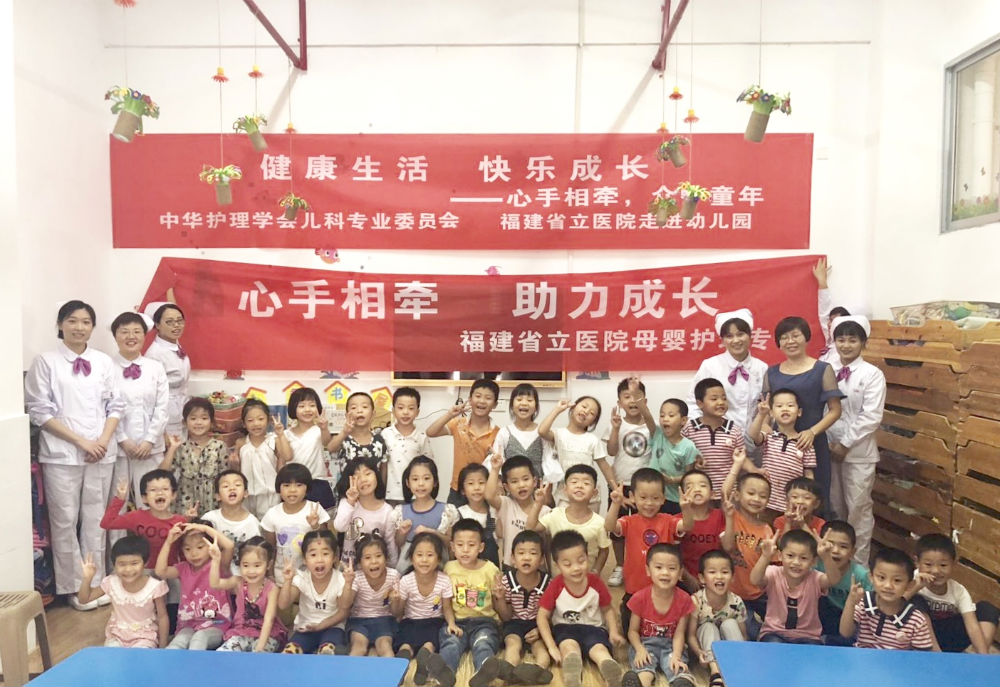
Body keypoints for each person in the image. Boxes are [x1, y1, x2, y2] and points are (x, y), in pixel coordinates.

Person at [24, 300, 124, 608]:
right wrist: (82, 442)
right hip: (62, 454)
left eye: (85, 322)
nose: (79, 327)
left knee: (96, 519)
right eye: (72, 320)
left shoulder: (103, 361)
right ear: (60, 324)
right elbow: (39, 411)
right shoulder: (46, 361)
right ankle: (73, 588)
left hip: (101, 453)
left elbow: (116, 405)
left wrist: (102, 441)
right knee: (64, 520)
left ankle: (95, 583)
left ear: (92, 327)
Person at [762, 316, 844, 515]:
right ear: (778, 342)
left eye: (795, 335)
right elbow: (765, 409)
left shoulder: (822, 369)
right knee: (777, 499)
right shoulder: (771, 373)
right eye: (784, 337)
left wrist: (812, 432)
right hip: (780, 447)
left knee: (814, 497)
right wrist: (765, 428)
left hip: (812, 442)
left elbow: (835, 410)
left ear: (806, 338)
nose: (790, 341)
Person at [827, 315, 886, 564]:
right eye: (841, 339)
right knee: (835, 508)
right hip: (829, 450)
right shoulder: (826, 368)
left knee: (858, 511)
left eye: (852, 340)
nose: (846, 345)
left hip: (858, 454)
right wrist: (830, 443)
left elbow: (871, 416)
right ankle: (835, 564)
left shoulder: (872, 374)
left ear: (864, 342)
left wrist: (845, 444)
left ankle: (858, 567)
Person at [537, 530, 625, 687]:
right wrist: (551, 647)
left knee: (599, 649)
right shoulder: (556, 585)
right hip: (565, 629)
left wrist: (613, 631)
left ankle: (609, 669)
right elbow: (542, 616)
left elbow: (608, 610)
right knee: (569, 648)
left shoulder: (596, 583)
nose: (576, 568)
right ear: (557, 566)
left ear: (587, 556)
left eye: (581, 561)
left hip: (594, 629)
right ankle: (572, 673)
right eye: (568, 564)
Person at [604, 469, 681, 632]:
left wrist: (687, 508)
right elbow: (609, 526)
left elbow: (687, 526)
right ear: (632, 496)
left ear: (663, 498)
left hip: (663, 589)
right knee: (629, 630)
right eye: (643, 497)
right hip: (634, 588)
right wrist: (615, 504)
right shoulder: (629, 521)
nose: (649, 503)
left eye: (655, 498)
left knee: (662, 629)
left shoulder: (668, 520)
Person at [109, 311, 169, 508]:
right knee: (117, 502)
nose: (131, 336)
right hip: (118, 447)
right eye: (124, 331)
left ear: (145, 335)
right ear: (115, 336)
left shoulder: (155, 368)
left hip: (150, 448)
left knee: (153, 501)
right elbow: (106, 406)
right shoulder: (107, 367)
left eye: (136, 331)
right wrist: (122, 438)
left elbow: (162, 407)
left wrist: (149, 440)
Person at [604, 376, 657, 586]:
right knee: (617, 530)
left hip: (644, 488)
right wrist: (616, 428)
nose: (632, 400)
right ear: (619, 402)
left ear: (645, 400)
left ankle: (645, 563)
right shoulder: (616, 424)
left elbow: (652, 425)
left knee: (644, 527)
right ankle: (619, 565)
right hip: (620, 485)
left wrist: (643, 405)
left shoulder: (651, 426)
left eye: (637, 396)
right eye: (627, 396)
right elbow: (611, 451)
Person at [908, 533, 999, 653]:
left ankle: (978, 656)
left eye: (943, 565)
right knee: (916, 600)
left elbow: (972, 626)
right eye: (928, 565)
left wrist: (983, 658)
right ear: (917, 562)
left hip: (947, 638)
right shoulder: (910, 578)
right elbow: (894, 603)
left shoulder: (958, 591)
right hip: (918, 638)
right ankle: (935, 654)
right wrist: (916, 587)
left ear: (954, 564)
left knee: (987, 608)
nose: (936, 571)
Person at [438, 518, 503, 687]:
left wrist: (500, 599)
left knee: (483, 643)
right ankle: (444, 673)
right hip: (457, 622)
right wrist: (451, 623)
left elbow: (496, 602)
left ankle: (484, 672)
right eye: (460, 545)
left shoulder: (491, 569)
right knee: (450, 643)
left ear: (481, 547)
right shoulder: (449, 568)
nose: (465, 550)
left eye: (471, 545)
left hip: (484, 622)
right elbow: (446, 602)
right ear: (452, 547)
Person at [621, 544, 696, 687]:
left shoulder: (684, 599)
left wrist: (676, 655)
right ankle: (639, 683)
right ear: (648, 570)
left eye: (672, 568)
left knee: (678, 667)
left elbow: (679, 634)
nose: (665, 573)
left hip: (671, 645)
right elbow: (632, 631)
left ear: (680, 573)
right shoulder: (639, 598)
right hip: (646, 644)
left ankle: (683, 682)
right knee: (644, 667)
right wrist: (640, 650)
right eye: (659, 567)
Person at [750, 529, 842, 643]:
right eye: (790, 556)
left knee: (812, 650)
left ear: (813, 562)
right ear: (780, 556)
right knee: (774, 644)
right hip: (774, 632)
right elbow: (755, 580)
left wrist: (826, 557)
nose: (796, 562)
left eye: (803, 558)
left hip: (808, 636)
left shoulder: (815, 578)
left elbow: (834, 580)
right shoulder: (773, 573)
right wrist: (765, 556)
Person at [686, 309, 768, 435]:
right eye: (729, 336)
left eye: (740, 334)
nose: (736, 340)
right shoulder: (710, 366)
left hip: (753, 438)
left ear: (750, 336)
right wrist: (704, 432)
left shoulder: (762, 368)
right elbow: (693, 402)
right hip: (718, 437)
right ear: (722, 340)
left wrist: (762, 432)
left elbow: (768, 406)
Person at [155, 521, 235, 650]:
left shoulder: (218, 564)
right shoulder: (183, 568)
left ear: (211, 546)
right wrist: (168, 542)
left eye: (200, 547)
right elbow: (160, 571)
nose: (194, 553)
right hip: (188, 625)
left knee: (199, 638)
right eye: (187, 549)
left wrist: (204, 528)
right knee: (178, 642)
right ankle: (166, 663)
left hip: (218, 625)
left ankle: (194, 664)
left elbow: (229, 546)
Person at [391, 532, 457, 686]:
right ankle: (402, 664)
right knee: (405, 644)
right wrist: (395, 601)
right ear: (412, 558)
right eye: (419, 555)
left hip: (434, 622)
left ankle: (423, 662)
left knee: (431, 642)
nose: (424, 560)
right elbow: (398, 613)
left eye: (430, 555)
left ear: (439, 559)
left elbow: (447, 608)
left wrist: (451, 623)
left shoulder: (444, 580)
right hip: (410, 621)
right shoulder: (406, 581)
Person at [78, 535, 168, 647]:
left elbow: (162, 617)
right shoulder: (111, 582)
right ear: (114, 564)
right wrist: (87, 579)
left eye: (134, 563)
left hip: (145, 636)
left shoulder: (154, 586)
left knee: (139, 656)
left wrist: (163, 647)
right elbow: (84, 599)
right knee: (111, 655)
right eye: (122, 564)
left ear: (145, 563)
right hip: (117, 635)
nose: (128, 569)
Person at [840, 547, 935, 651]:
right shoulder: (864, 603)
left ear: (910, 585)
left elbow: (922, 655)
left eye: (897, 580)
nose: (888, 586)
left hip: (897, 661)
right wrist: (850, 603)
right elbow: (845, 633)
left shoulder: (916, 619)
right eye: (881, 578)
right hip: (863, 658)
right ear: (871, 577)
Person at [426, 378, 501, 506]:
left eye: (488, 398)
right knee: (453, 519)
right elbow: (431, 432)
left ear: (495, 404)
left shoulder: (498, 433)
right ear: (470, 400)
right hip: (457, 490)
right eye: (478, 396)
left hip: (482, 491)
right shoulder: (459, 424)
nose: (482, 401)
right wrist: (450, 414)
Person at [493, 530, 553, 685]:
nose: (526, 557)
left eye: (533, 553)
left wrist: (539, 630)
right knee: (513, 644)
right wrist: (500, 598)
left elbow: (551, 613)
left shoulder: (548, 583)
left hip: (538, 623)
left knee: (541, 648)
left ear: (541, 559)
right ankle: (509, 672)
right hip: (514, 623)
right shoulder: (506, 581)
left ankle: (538, 671)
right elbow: (506, 617)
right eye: (521, 553)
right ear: (513, 558)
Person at [526, 464, 610, 575]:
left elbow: (604, 550)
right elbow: (530, 528)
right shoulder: (555, 514)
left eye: (586, 483)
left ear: (594, 493)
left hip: (585, 579)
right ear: (565, 490)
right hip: (558, 579)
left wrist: (596, 571)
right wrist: (538, 503)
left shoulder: (599, 523)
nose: (579, 486)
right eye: (574, 482)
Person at [744, 390, 817, 516]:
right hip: (765, 502)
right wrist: (761, 415)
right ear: (772, 413)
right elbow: (753, 435)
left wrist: (806, 499)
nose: (785, 409)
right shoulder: (769, 436)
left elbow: (808, 475)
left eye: (790, 405)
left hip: (790, 505)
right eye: (779, 406)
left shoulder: (805, 443)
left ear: (799, 412)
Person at [279, 529, 351, 655]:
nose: (319, 560)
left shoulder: (340, 579)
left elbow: (344, 610)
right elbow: (283, 604)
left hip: (332, 627)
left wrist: (348, 584)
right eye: (313, 555)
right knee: (290, 651)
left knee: (328, 650)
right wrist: (287, 581)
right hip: (306, 629)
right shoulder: (301, 578)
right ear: (304, 559)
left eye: (325, 554)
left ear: (335, 557)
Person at [210, 536, 287, 652]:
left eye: (257, 565)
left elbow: (269, 619)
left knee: (259, 657)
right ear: (239, 564)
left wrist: (259, 648)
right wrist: (215, 560)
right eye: (246, 565)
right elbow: (215, 584)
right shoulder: (237, 582)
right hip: (241, 633)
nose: (251, 571)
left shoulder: (272, 588)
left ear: (268, 565)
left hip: (266, 635)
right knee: (222, 654)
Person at [720, 472, 773, 638]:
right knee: (748, 631)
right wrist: (737, 464)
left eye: (762, 496)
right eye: (751, 493)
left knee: (771, 630)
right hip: (733, 593)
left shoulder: (767, 530)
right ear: (737, 495)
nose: (756, 499)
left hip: (758, 593)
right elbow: (728, 546)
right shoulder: (731, 515)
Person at [100, 469, 188, 569]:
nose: (160, 493)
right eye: (153, 490)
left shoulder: (180, 521)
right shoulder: (137, 517)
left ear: (173, 495)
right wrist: (120, 499)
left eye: (165, 489)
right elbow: (107, 523)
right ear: (144, 498)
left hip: (169, 571)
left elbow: (184, 552)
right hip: (142, 572)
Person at [538, 396, 615, 510]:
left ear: (593, 422)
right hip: (565, 496)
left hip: (589, 498)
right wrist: (557, 409)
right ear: (573, 408)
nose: (586, 411)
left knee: (590, 522)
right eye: (584, 406)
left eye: (592, 413)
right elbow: (542, 431)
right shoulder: (559, 434)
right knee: (562, 521)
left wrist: (615, 488)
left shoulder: (592, 440)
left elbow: (605, 466)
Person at [260, 463, 331, 584]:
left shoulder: (315, 509)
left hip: (310, 576)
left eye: (299, 485)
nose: (292, 490)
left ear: (307, 488)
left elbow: (327, 540)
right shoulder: (272, 514)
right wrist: (270, 574)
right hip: (282, 576)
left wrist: (315, 526)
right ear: (279, 488)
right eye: (286, 485)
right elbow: (270, 548)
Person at [686, 550, 747, 687]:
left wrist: (744, 653)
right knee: (708, 626)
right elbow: (690, 635)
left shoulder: (737, 601)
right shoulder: (696, 601)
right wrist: (699, 652)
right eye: (712, 572)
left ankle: (737, 667)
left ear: (732, 577)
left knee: (730, 623)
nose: (719, 576)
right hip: (706, 649)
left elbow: (743, 635)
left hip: (729, 650)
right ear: (702, 578)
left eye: (724, 572)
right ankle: (716, 672)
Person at [160, 397, 229, 517]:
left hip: (213, 505)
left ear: (212, 422)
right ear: (184, 422)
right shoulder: (181, 447)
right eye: (193, 418)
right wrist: (172, 448)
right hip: (185, 505)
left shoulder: (220, 446)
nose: (198, 422)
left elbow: (225, 478)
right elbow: (162, 474)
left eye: (204, 418)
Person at [390, 455, 459, 571]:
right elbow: (398, 544)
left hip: (438, 571)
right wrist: (402, 532)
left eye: (426, 478)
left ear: (435, 481)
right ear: (408, 483)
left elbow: (451, 543)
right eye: (415, 479)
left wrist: (432, 532)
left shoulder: (447, 511)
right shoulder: (400, 512)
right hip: (407, 570)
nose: (421, 483)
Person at [682, 379, 748, 501]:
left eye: (724, 398)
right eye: (714, 399)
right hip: (699, 494)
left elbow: (742, 460)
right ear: (700, 403)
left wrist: (755, 470)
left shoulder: (734, 430)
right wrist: (694, 462)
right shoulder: (689, 428)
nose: (720, 402)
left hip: (728, 493)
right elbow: (682, 455)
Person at [486, 453, 550, 569]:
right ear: (506, 487)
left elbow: (548, 547)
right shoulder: (506, 504)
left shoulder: (545, 511)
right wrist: (495, 469)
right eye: (514, 481)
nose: (521, 485)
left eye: (525, 479)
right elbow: (489, 496)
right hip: (511, 566)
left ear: (534, 482)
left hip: (537, 569)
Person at [815, 520, 872, 644]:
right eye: (830, 545)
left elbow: (871, 603)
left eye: (843, 546)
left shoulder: (860, 574)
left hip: (849, 618)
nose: (836, 550)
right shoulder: (816, 566)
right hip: (823, 614)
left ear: (853, 552)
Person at [334, 457, 398, 567]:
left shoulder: (387, 511)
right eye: (357, 477)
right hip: (350, 569)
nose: (363, 479)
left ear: (376, 475)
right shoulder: (347, 503)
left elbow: (390, 543)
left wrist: (393, 567)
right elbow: (339, 527)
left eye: (367, 474)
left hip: (375, 568)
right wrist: (350, 502)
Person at [492, 383, 559, 483]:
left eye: (529, 400)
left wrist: (546, 488)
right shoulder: (504, 432)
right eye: (519, 399)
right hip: (511, 488)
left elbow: (549, 462)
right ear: (512, 406)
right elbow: (497, 464)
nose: (524, 403)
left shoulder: (542, 433)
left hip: (538, 488)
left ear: (536, 407)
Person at [236, 398, 291, 518]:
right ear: (244, 424)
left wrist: (281, 434)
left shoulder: (274, 440)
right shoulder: (241, 443)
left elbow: (288, 456)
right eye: (250, 420)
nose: (256, 424)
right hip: (247, 495)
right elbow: (236, 469)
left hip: (270, 494)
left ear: (268, 420)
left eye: (260, 419)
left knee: (269, 524)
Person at [143, 302, 191, 438]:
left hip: (182, 410)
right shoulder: (154, 354)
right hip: (166, 415)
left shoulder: (175, 345)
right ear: (157, 325)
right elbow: (151, 395)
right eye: (169, 322)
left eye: (179, 321)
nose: (176, 325)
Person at [347, 534, 399, 657]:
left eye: (378, 556)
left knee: (384, 647)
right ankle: (351, 670)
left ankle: (388, 671)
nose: (374, 561)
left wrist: (395, 600)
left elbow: (396, 612)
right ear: (359, 563)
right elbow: (346, 604)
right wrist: (348, 583)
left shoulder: (393, 575)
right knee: (359, 647)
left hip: (384, 620)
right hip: (359, 621)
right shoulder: (357, 577)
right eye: (367, 557)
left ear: (386, 558)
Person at [202, 470, 262, 575]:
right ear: (217, 496)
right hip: (213, 576)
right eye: (226, 486)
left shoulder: (252, 523)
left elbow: (257, 555)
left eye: (237, 485)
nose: (232, 488)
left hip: (243, 577)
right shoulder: (210, 518)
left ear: (246, 493)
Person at [284, 387, 336, 509]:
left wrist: (324, 428)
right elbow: (284, 459)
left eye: (312, 405)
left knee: (322, 518)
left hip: (317, 482)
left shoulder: (319, 430)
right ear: (293, 409)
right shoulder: (286, 434)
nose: (307, 410)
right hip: (294, 485)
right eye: (301, 406)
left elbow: (327, 442)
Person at [382, 387, 434, 506]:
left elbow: (428, 467)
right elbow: (382, 466)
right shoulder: (385, 435)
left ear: (417, 412)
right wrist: (381, 492)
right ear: (393, 410)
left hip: (416, 494)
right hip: (390, 495)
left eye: (411, 408)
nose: (405, 412)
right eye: (400, 408)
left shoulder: (422, 436)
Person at [648, 399, 700, 514]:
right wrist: (638, 399)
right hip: (652, 497)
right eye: (662, 415)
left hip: (675, 500)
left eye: (671, 415)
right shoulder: (657, 435)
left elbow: (689, 477)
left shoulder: (689, 446)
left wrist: (672, 480)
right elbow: (646, 416)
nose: (665, 419)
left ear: (683, 420)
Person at [676, 470, 726, 590]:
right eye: (690, 487)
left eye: (702, 485)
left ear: (712, 494)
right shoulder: (677, 521)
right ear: (682, 494)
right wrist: (687, 577)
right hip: (685, 579)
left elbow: (728, 549)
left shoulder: (721, 516)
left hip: (716, 580)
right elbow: (673, 554)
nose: (697, 490)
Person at [328, 391, 388, 481]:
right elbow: (330, 448)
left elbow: (383, 467)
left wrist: (382, 488)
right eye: (354, 407)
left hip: (373, 490)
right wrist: (344, 432)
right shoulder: (343, 438)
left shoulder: (379, 440)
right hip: (348, 489)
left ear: (373, 414)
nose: (359, 411)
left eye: (364, 407)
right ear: (346, 415)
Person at [456, 463, 500, 566]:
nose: (477, 487)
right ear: (463, 490)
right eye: (471, 483)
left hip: (491, 568)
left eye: (481, 483)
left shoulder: (494, 511)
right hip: (465, 568)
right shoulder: (458, 514)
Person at [812, 258, 850, 365]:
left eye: (834, 321)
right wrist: (822, 281)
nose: (829, 324)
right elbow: (824, 311)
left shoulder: (845, 349)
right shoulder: (830, 340)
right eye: (830, 320)